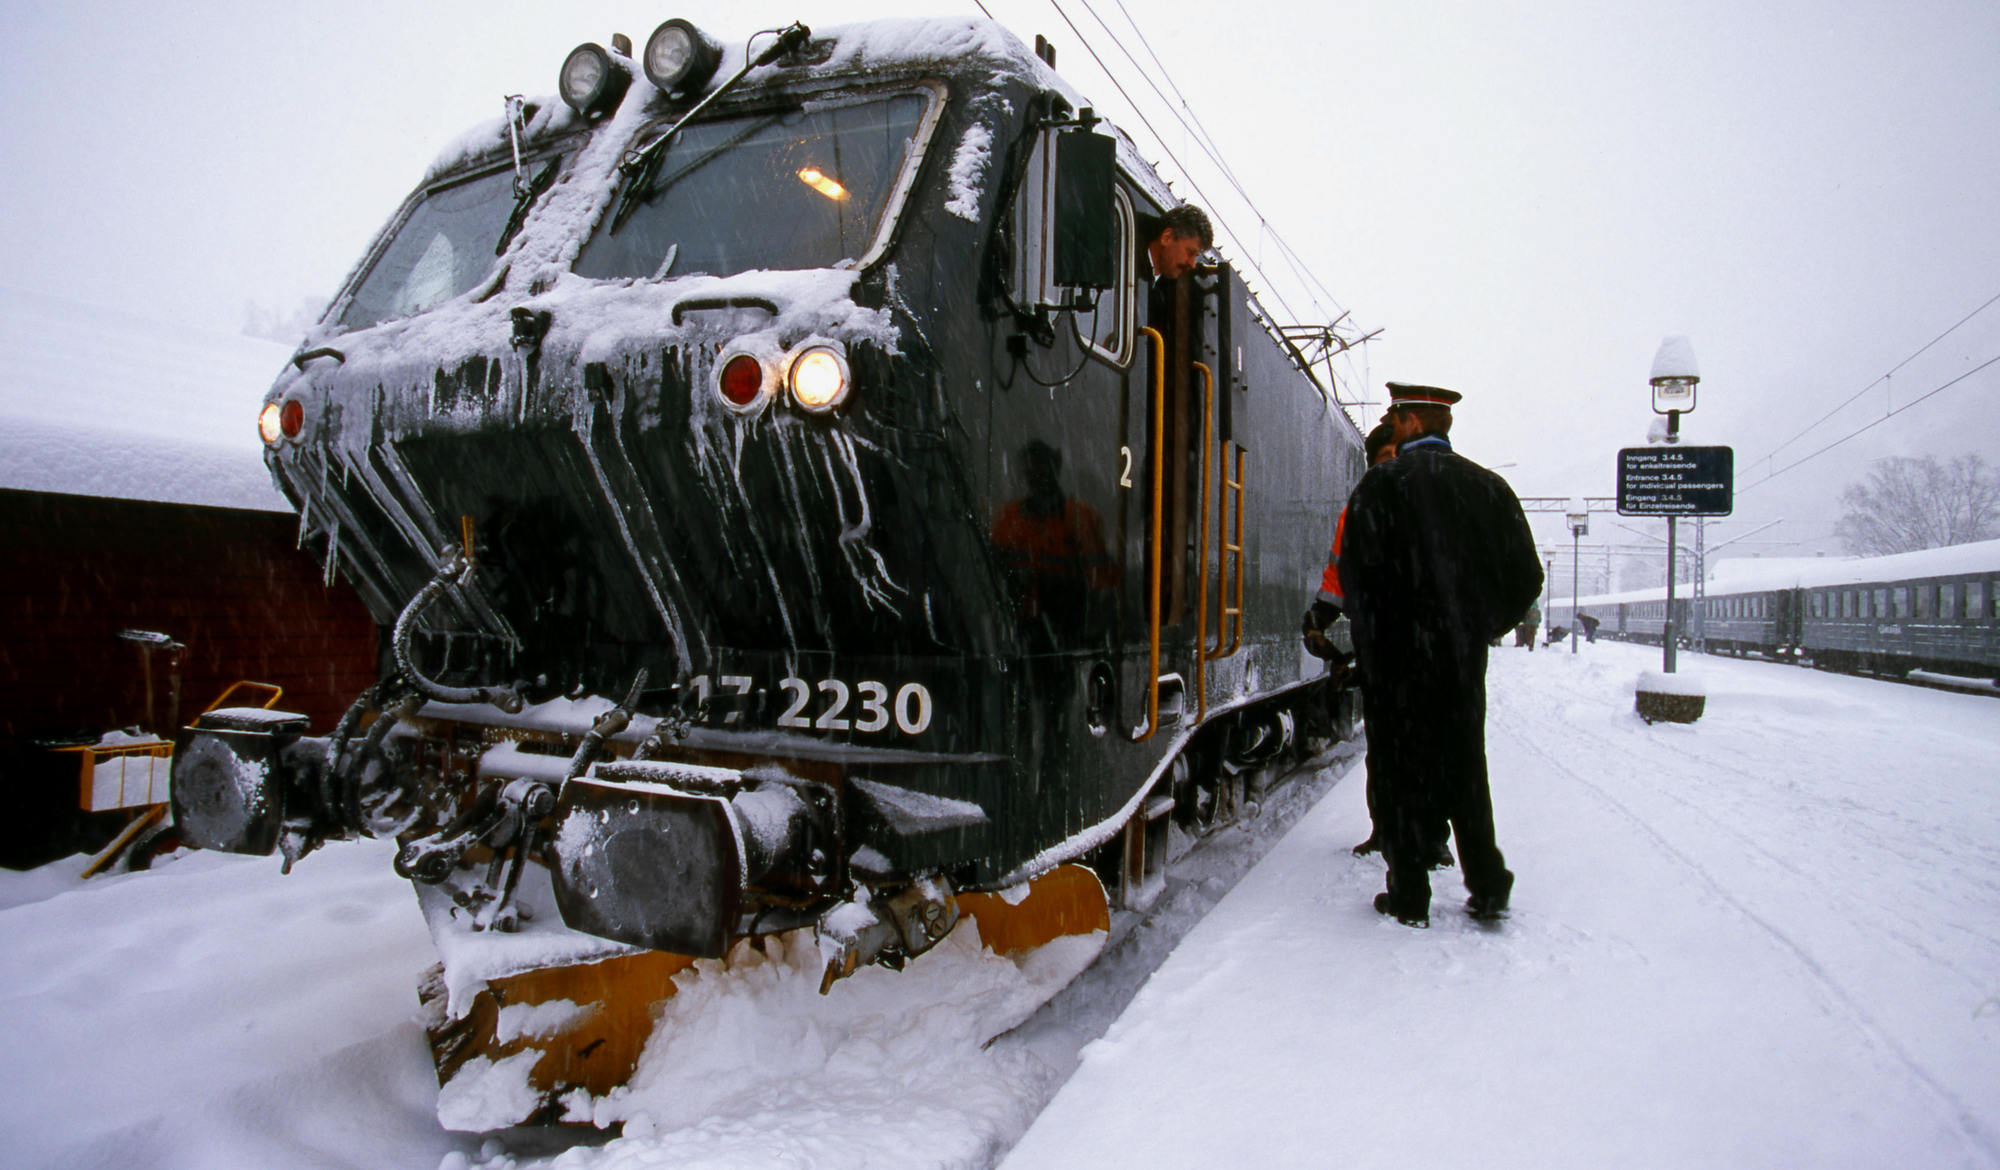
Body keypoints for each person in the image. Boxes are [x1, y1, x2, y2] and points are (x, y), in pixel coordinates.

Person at [1338, 383, 1543, 926]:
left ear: (1410, 422)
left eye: (1395, 417)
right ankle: (1488, 883)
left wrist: (1378, 635)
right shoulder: (1489, 488)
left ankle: (1409, 894)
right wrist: (1477, 627)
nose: (1392, 424)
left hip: (1394, 659)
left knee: (1400, 772)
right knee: (1464, 766)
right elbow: (1527, 577)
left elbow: (1355, 577)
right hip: (1457, 656)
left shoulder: (1379, 487)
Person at [1305, 422, 1448, 867]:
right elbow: (1338, 567)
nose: (1394, 464)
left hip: (1431, 643)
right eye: (1386, 457)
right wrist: (1320, 617)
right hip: (1381, 642)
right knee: (1384, 746)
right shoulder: (1361, 505)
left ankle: (1431, 837)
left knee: (1428, 742)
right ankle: (1386, 829)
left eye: (1397, 455)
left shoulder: (1432, 502)